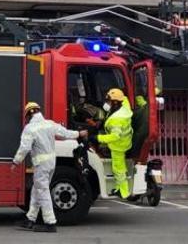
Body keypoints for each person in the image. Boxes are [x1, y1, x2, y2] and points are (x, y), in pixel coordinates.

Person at [13, 102, 87, 233]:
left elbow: (24, 148)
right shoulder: (49, 124)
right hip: (51, 163)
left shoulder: (30, 129)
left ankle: (50, 223)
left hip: (41, 165)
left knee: (43, 191)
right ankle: (30, 219)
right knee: (37, 190)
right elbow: (64, 133)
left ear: (29, 114)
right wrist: (78, 133)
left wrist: (16, 162)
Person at [97, 88, 133, 199]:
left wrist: (98, 138)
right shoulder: (124, 105)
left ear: (115, 103)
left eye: (109, 101)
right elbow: (124, 98)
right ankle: (118, 189)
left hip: (118, 146)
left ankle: (124, 192)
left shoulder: (117, 119)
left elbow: (114, 136)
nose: (106, 104)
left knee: (119, 170)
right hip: (125, 141)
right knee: (117, 169)